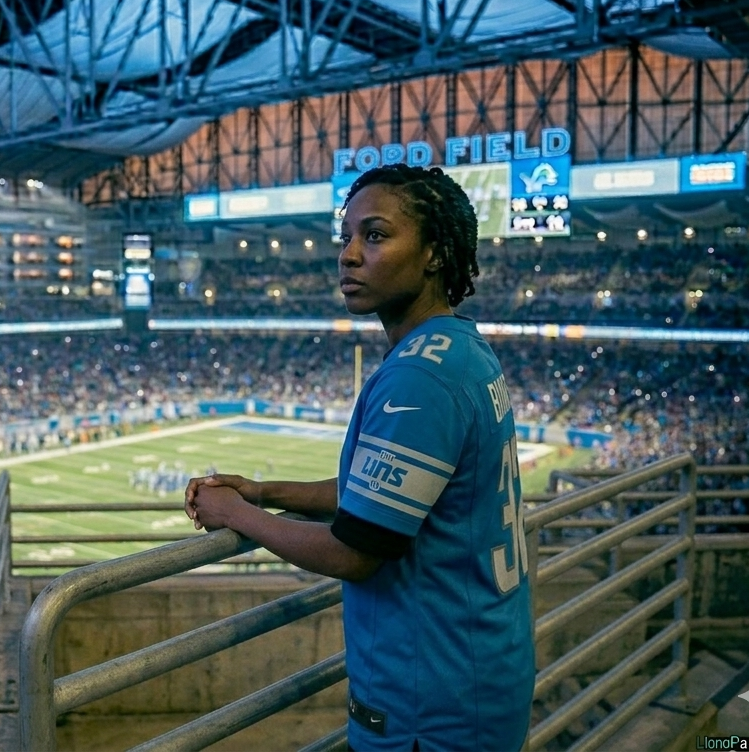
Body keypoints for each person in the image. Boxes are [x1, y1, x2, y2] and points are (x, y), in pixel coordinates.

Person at [184, 164, 534, 751]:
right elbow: (378, 495)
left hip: (430, 702)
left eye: (374, 235)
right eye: (345, 237)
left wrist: (234, 515)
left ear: (434, 253)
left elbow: (355, 552)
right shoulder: (460, 349)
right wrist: (266, 492)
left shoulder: (419, 377)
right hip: (474, 677)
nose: (348, 255)